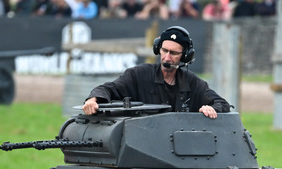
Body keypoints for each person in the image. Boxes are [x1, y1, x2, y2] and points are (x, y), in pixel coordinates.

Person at [83, 26, 231, 119]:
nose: (167, 57)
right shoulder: (138, 75)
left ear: (185, 56)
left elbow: (222, 103)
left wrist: (211, 108)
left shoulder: (191, 82)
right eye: (164, 50)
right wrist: (93, 99)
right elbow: (108, 89)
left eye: (173, 53)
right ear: (157, 49)